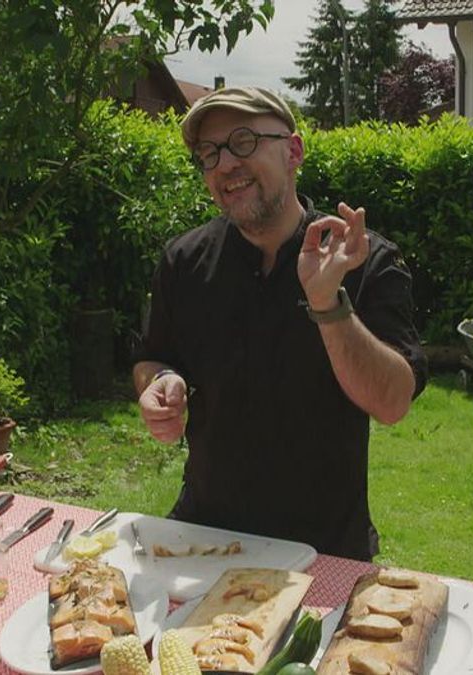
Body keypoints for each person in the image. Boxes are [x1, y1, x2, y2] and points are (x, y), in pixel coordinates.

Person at [133, 86, 427, 561]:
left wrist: (328, 303)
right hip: (203, 540)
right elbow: (153, 357)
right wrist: (159, 382)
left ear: (294, 151)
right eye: (209, 154)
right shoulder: (183, 261)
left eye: (244, 141)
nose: (225, 164)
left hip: (322, 552)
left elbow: (392, 403)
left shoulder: (363, 260)